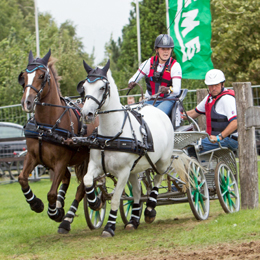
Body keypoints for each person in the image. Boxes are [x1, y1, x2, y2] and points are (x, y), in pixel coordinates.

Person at [185, 69, 238, 155]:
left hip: (229, 139)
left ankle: (195, 167)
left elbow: (235, 122)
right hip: (217, 138)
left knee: (192, 148)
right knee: (190, 143)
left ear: (222, 84)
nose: (213, 88)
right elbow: (193, 113)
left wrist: (219, 137)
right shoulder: (209, 97)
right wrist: (179, 114)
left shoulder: (227, 99)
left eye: (216, 85)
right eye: (211, 85)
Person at [128, 34, 182, 116]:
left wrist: (168, 89)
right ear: (156, 50)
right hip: (150, 99)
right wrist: (132, 82)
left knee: (155, 115)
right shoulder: (148, 63)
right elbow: (134, 78)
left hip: (167, 99)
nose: (166, 51)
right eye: (163, 49)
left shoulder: (175, 66)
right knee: (135, 114)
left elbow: (177, 89)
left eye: (168, 49)